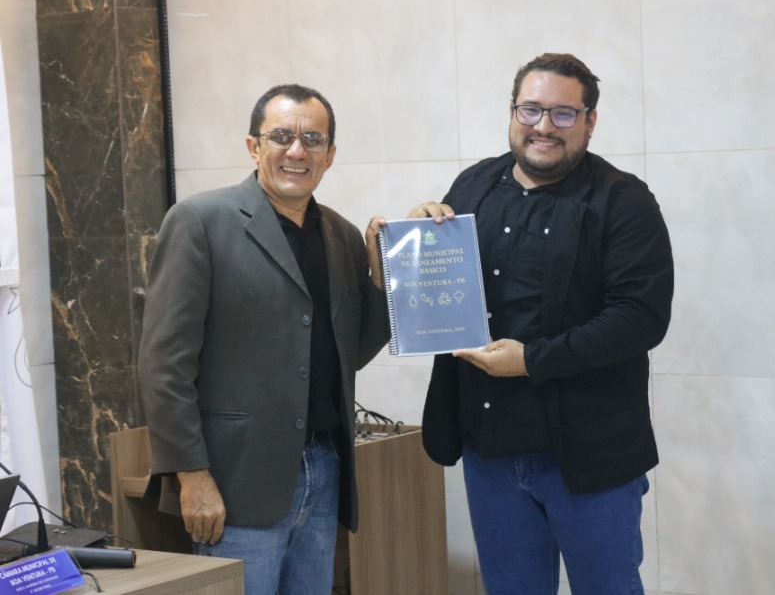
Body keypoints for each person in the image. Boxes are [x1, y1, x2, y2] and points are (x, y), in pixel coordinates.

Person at [411, 53, 674, 595]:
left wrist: (531, 360)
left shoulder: (623, 199)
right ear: (512, 111)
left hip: (589, 457)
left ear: (590, 121)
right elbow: (440, 299)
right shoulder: (472, 186)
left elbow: (640, 318)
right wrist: (408, 245)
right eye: (530, 109)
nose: (543, 126)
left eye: (563, 113)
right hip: (489, 450)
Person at [137, 83, 389, 594]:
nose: (297, 151)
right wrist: (192, 475)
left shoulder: (341, 236)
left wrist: (384, 284)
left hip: (324, 470)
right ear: (254, 146)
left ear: (329, 155)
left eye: (313, 140)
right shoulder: (200, 222)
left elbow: (350, 354)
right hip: (235, 482)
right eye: (281, 136)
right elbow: (164, 367)